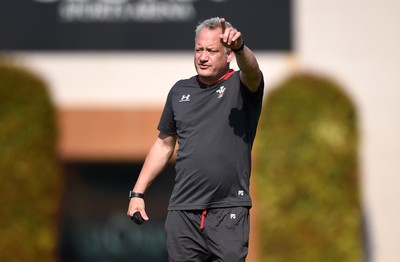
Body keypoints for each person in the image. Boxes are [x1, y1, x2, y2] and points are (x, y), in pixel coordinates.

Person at [127, 17, 264, 262]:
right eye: (199, 49)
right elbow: (163, 143)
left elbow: (252, 71)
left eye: (211, 51)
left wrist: (241, 47)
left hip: (228, 210)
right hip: (183, 213)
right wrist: (137, 194)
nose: (203, 56)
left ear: (228, 54)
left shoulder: (241, 86)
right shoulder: (179, 91)